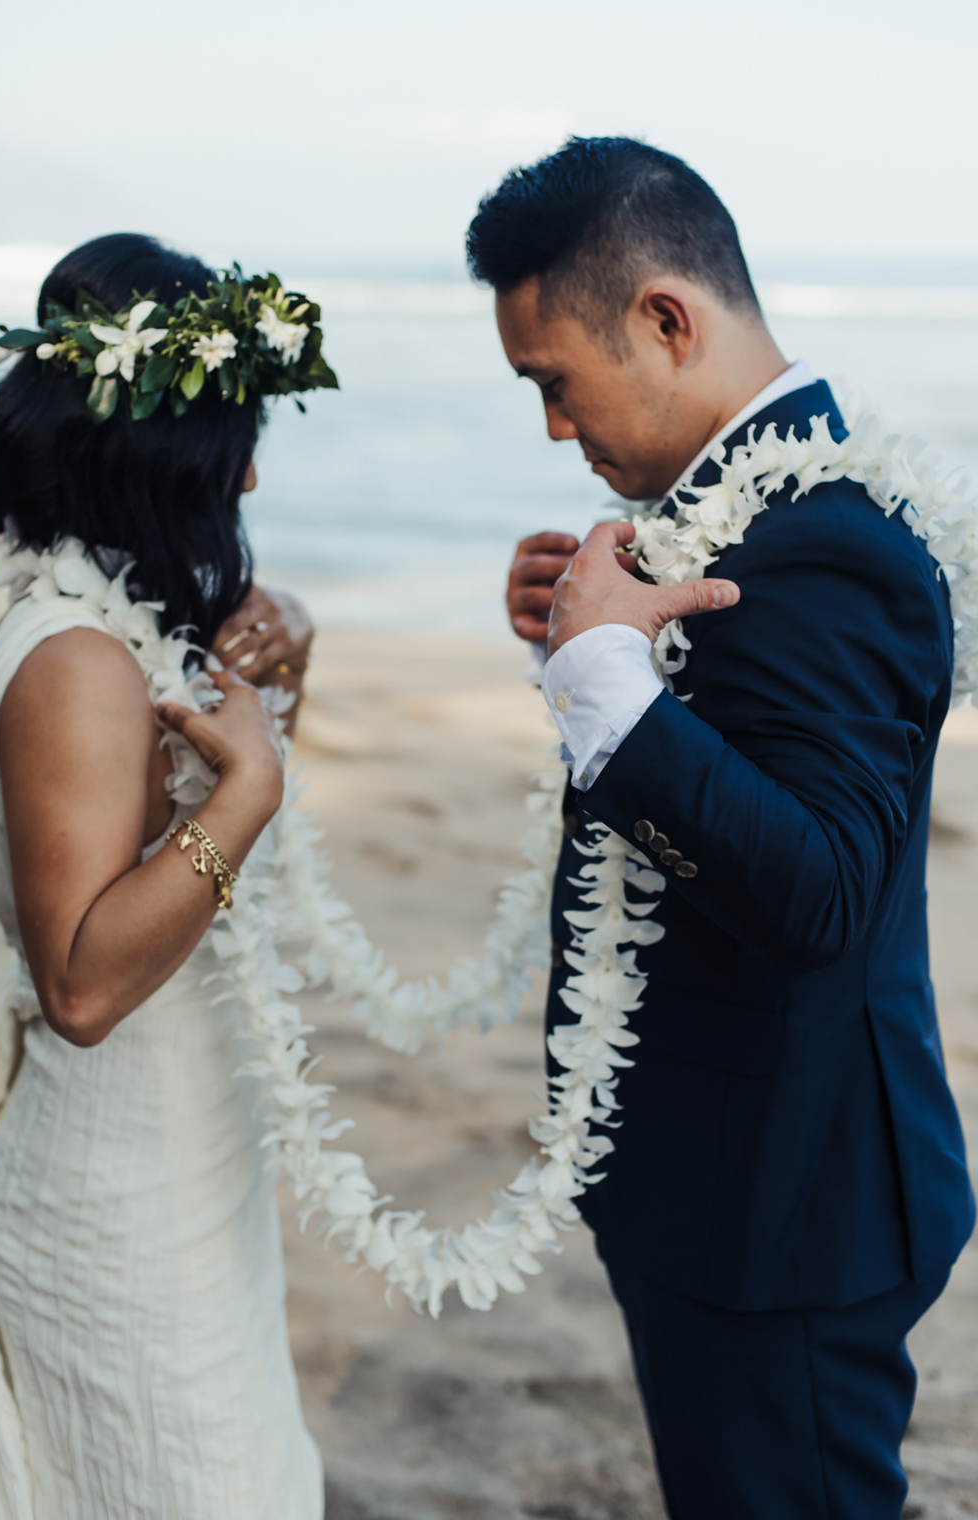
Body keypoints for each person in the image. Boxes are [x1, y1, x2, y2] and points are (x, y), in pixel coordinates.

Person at [483, 137, 973, 1516]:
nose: (555, 431)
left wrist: (609, 684)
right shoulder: (723, 516)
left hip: (788, 1204)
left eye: (555, 385)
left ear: (664, 321)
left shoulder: (832, 541)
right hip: (715, 1171)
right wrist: (586, 647)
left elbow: (819, 895)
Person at [0, 232, 330, 1520]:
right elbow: (79, 981)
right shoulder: (74, 662)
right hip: (118, 1198)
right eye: (238, 428)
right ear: (171, 447)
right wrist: (250, 788)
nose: (253, 462)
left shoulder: (133, 627)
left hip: (194, 1154)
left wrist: (287, 646)